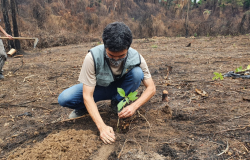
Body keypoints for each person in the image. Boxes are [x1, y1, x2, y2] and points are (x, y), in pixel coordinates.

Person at [58, 22, 156, 144]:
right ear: (104, 45)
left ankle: (117, 101)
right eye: (111, 56)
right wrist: (102, 127)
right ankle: (83, 108)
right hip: (98, 88)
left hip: (119, 89)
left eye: (121, 56)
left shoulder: (136, 57)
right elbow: (87, 95)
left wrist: (134, 106)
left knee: (137, 73)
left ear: (128, 48)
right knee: (65, 98)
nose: (116, 60)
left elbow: (151, 88)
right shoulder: (92, 57)